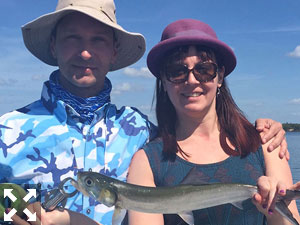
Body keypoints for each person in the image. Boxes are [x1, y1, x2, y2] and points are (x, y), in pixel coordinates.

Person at [0, 1, 289, 224]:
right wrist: (24, 212)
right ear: (54, 44)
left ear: (114, 50)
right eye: (72, 38)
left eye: (98, 40)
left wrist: (265, 130)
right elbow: (8, 211)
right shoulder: (7, 132)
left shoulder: (140, 131)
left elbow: (195, 141)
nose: (85, 52)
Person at [127, 19, 300, 225]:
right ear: (163, 81)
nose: (191, 80)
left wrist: (274, 208)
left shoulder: (265, 143)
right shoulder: (146, 162)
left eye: (204, 69)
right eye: (177, 71)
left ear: (220, 77)